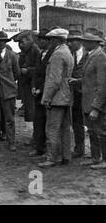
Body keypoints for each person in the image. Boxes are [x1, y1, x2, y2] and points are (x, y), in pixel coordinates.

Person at [38, 29, 74, 168]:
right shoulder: (67, 52)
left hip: (56, 97)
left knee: (52, 128)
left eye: (52, 40)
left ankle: (52, 157)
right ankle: (66, 155)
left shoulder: (57, 54)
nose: (50, 42)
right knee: (65, 128)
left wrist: (46, 98)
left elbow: (54, 80)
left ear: (56, 40)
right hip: (66, 96)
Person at [78, 33, 106, 169]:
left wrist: (96, 107)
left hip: (95, 103)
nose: (83, 44)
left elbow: (102, 85)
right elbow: (89, 78)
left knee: (101, 132)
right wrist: (77, 81)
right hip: (87, 101)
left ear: (94, 43)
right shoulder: (90, 55)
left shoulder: (100, 57)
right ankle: (96, 158)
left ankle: (104, 160)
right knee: (92, 131)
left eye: (86, 42)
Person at [30, 28, 53, 157]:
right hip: (37, 94)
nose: (40, 42)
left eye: (43, 40)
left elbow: (50, 77)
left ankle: (47, 149)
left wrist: (41, 89)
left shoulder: (52, 54)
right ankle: (39, 147)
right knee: (38, 121)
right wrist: (33, 87)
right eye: (39, 39)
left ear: (48, 41)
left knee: (47, 123)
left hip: (46, 93)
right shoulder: (40, 53)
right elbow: (35, 74)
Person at [67, 29, 88, 159]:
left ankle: (98, 154)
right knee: (76, 122)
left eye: (72, 41)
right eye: (68, 41)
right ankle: (79, 149)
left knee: (93, 124)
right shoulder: (70, 54)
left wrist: (78, 81)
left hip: (87, 94)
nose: (69, 44)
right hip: (74, 95)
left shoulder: (90, 55)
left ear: (79, 42)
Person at [16, 30, 40, 144]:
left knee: (35, 113)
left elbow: (40, 69)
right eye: (19, 43)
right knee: (31, 112)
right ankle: (35, 136)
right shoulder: (24, 52)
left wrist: (28, 70)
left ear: (29, 40)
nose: (20, 45)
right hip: (26, 85)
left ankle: (37, 138)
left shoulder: (35, 50)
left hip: (33, 86)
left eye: (22, 42)